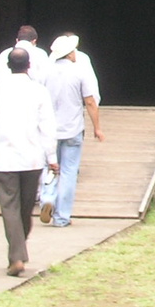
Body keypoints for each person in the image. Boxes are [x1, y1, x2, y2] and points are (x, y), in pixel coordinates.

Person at [0, 46, 58, 276]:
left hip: (6, 159)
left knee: (10, 208)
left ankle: (16, 256)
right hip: (32, 159)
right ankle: (18, 254)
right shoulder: (39, 91)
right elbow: (48, 127)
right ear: (28, 66)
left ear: (8, 66)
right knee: (26, 208)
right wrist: (52, 157)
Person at [39, 33, 106, 226]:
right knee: (69, 171)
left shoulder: (45, 71)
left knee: (49, 166)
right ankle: (61, 217)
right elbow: (90, 101)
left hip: (48, 129)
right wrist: (97, 128)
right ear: (69, 54)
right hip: (72, 128)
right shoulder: (80, 71)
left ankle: (47, 197)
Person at [0, 24, 50, 90]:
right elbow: (47, 79)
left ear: (17, 40)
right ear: (34, 41)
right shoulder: (41, 54)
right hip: (32, 94)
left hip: (5, 93)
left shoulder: (4, 54)